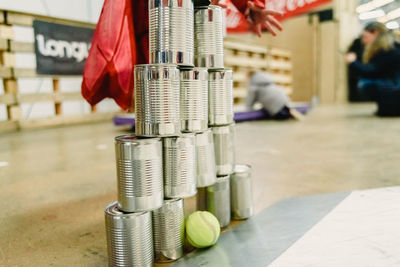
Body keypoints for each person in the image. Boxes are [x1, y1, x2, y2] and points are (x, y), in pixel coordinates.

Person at [82, 0, 283, 110]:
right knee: (160, 102)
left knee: (197, 103)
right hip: (155, 19)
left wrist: (248, 5)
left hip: (198, 17)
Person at [345, 22, 400, 116]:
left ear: (376, 32)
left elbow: (371, 72)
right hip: (394, 84)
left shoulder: (386, 49)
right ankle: (385, 107)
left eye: (365, 36)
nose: (363, 41)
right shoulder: (389, 46)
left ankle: (388, 107)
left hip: (395, 86)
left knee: (365, 84)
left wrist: (353, 62)